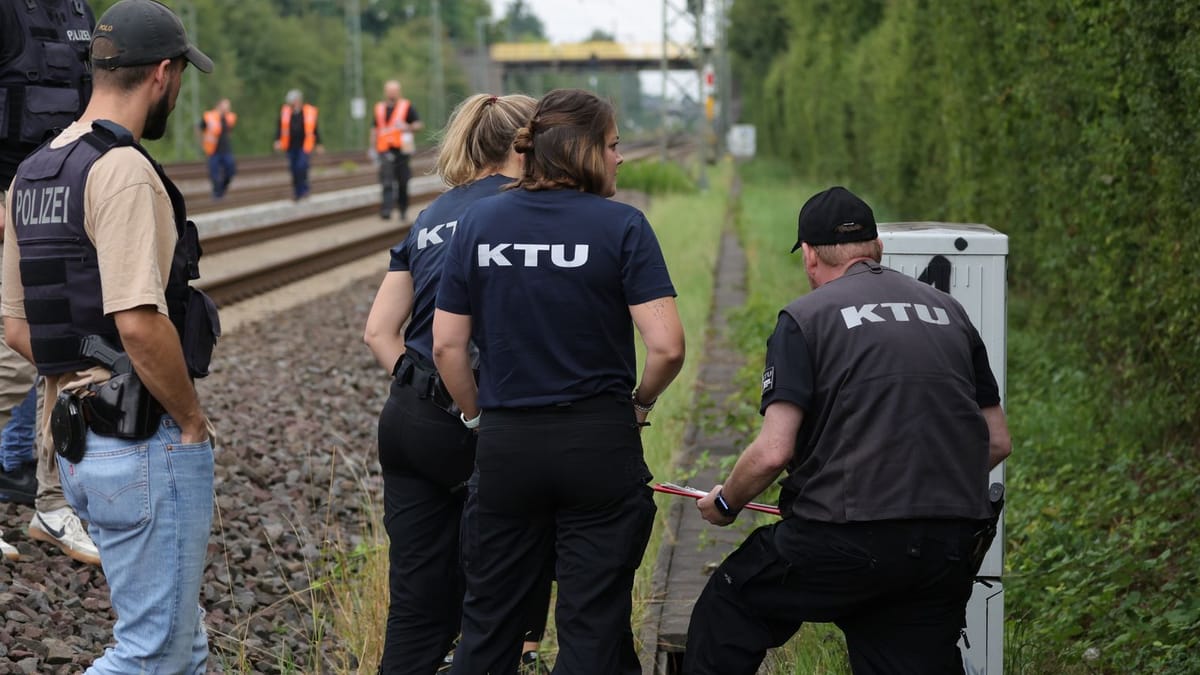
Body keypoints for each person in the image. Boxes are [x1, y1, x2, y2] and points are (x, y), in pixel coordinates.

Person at [682, 186, 1013, 674]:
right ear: (878, 248)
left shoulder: (805, 318)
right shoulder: (951, 313)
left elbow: (774, 451)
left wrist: (727, 502)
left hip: (844, 540)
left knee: (731, 604)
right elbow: (997, 440)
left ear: (811, 256)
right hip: (944, 546)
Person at [433, 88, 686, 674]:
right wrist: (640, 404)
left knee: (490, 622)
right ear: (581, 150)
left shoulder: (477, 222)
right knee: (591, 624)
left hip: (507, 445)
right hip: (598, 443)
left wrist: (478, 415)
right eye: (613, 145)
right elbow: (668, 347)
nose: (620, 158)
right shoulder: (622, 226)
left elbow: (447, 345)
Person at [2, 0, 221, 671]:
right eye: (180, 78)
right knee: (150, 651)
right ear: (164, 74)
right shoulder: (120, 169)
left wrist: (85, 371)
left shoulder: (34, 173)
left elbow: (14, 323)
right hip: (140, 441)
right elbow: (137, 319)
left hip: (76, 443)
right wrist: (190, 422)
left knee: (185, 646)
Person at [364, 92, 538, 674]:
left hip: (411, 420)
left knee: (415, 610)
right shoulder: (529, 210)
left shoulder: (433, 214)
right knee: (495, 606)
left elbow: (378, 333)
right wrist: (471, 408)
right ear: (525, 146)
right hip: (488, 419)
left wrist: (427, 388)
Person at [0, 0, 101, 565]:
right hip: (7, 197)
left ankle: (53, 505)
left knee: (65, 351)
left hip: (62, 194)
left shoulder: (77, 8)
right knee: (13, 358)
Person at [370, 79, 424, 221]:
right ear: (385, 92)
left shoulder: (406, 106)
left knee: (402, 181)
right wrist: (372, 147)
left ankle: (403, 209)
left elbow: (418, 124)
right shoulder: (379, 108)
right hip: (384, 149)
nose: (391, 93)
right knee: (386, 180)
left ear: (399, 92)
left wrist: (407, 126)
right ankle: (386, 210)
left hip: (402, 150)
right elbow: (375, 129)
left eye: (394, 90)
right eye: (389, 90)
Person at [274, 88, 321, 200]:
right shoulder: (285, 112)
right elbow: (280, 128)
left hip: (304, 146)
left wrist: (319, 143)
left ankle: (304, 189)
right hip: (290, 146)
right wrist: (277, 140)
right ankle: (297, 192)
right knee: (294, 169)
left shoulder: (308, 112)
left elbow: (315, 129)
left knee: (302, 167)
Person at [198, 97, 237, 200]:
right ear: (219, 105)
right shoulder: (209, 117)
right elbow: (200, 128)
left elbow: (229, 131)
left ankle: (222, 189)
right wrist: (202, 143)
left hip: (226, 150)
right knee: (214, 173)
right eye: (226, 105)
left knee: (231, 170)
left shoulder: (229, 118)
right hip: (213, 150)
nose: (228, 108)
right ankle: (217, 193)